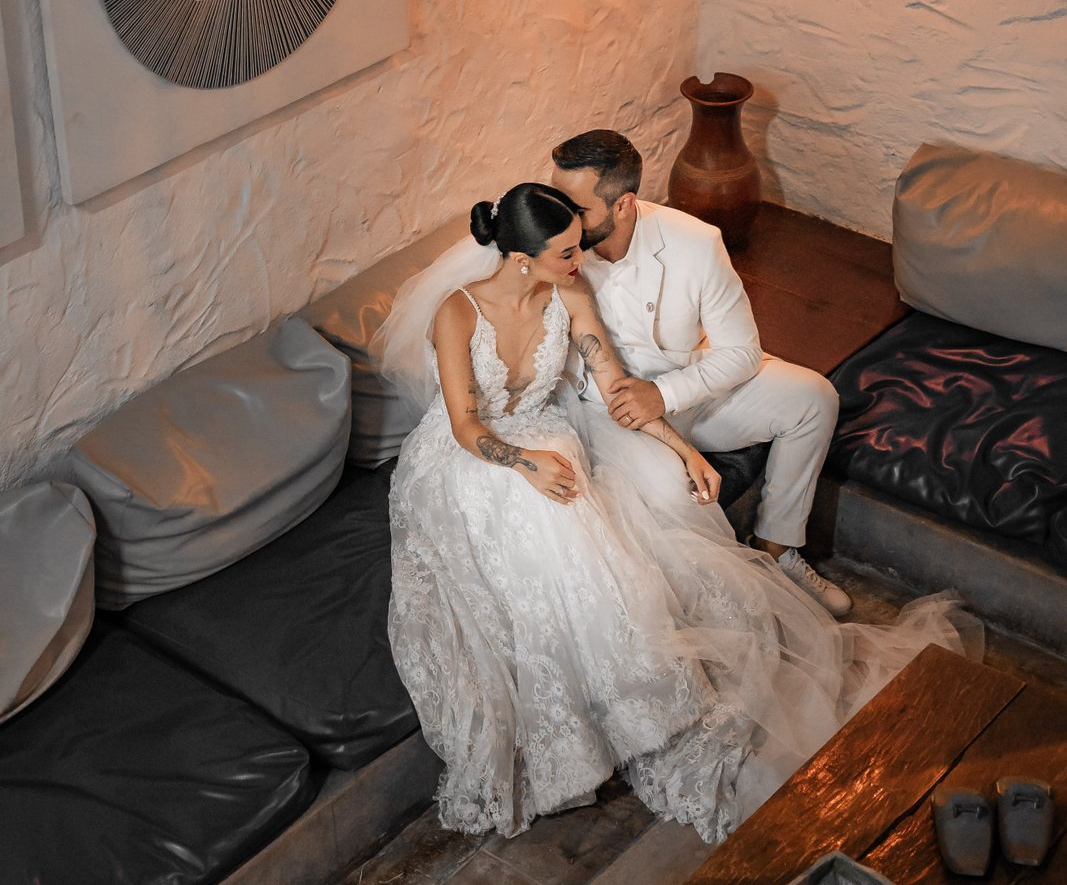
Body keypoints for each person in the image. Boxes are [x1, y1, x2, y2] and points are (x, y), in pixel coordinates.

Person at [377, 182, 977, 844]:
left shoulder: (569, 294)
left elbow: (616, 388)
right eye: (566, 252)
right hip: (473, 457)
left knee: (580, 533)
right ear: (521, 259)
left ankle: (632, 705)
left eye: (578, 247)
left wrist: (682, 448)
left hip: (545, 434)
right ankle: (578, 727)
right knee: (547, 529)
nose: (580, 260)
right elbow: (466, 427)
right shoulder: (458, 314)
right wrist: (525, 463)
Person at [551, 129, 852, 616]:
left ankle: (776, 549)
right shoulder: (551, 244)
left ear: (623, 204)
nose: (561, 217)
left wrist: (663, 395)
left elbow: (741, 352)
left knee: (814, 398)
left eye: (577, 208)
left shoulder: (695, 242)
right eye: (557, 198)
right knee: (676, 500)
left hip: (687, 393)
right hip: (605, 415)